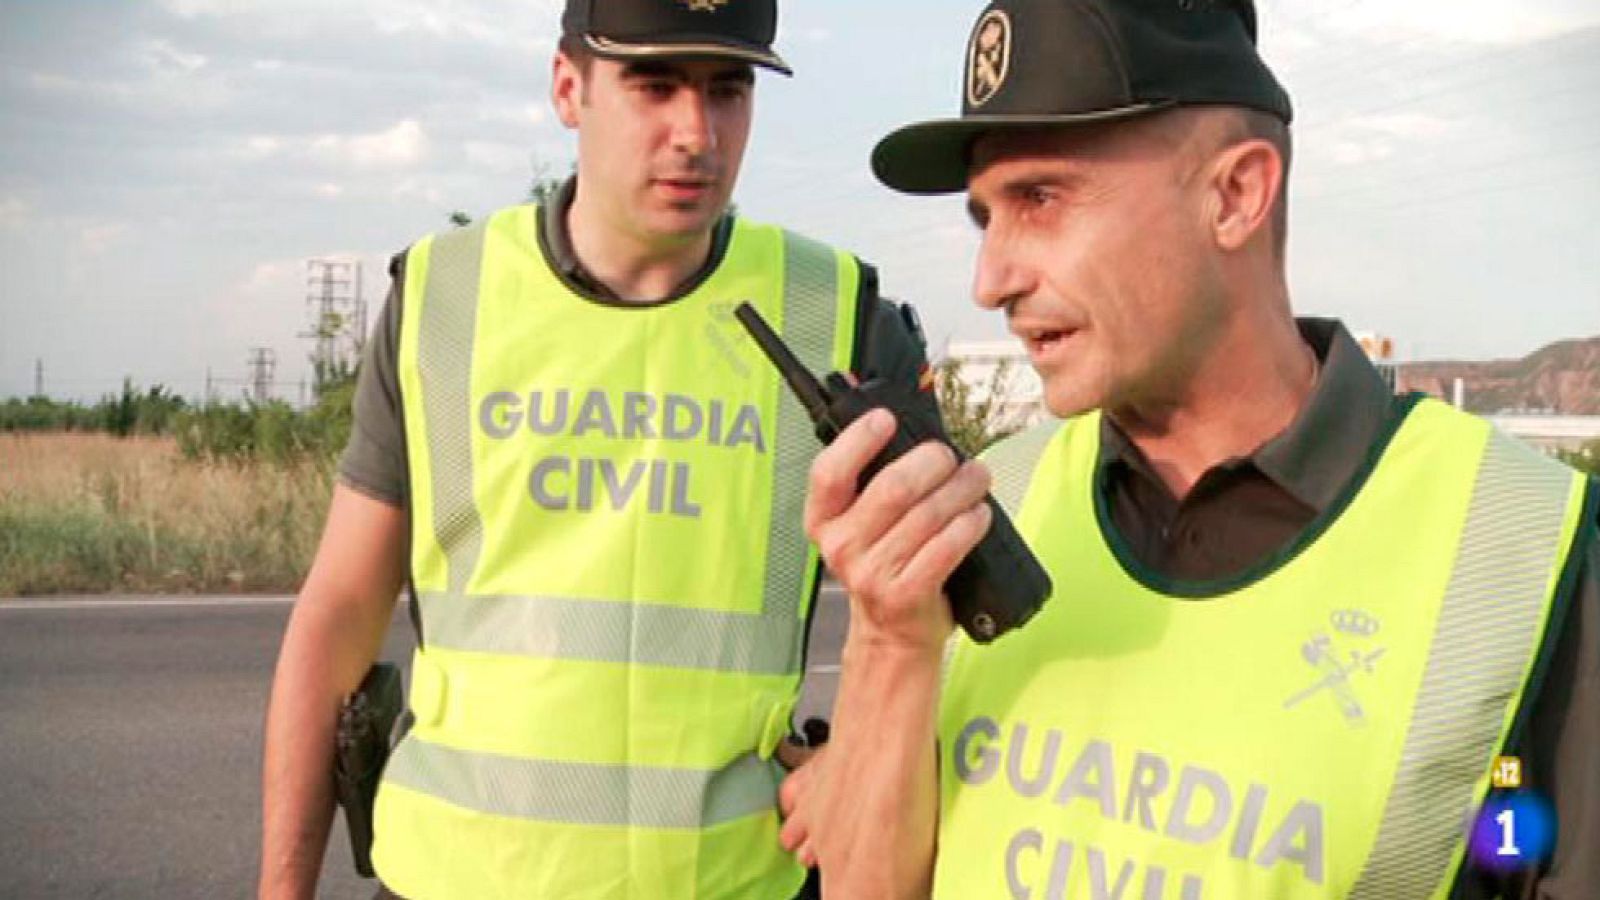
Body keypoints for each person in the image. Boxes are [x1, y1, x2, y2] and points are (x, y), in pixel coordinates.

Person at [777, 1, 1600, 897]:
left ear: (1236, 194)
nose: (990, 281)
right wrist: (891, 640)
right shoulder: (986, 505)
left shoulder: (1531, 557)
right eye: (985, 218)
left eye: (1041, 199)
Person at [257, 1, 938, 897]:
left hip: (728, 883)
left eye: (727, 89)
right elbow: (339, 611)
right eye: (654, 86)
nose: (696, 132)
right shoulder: (443, 300)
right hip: (455, 878)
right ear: (568, 87)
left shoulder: (839, 317)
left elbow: (946, 618)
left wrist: (859, 756)